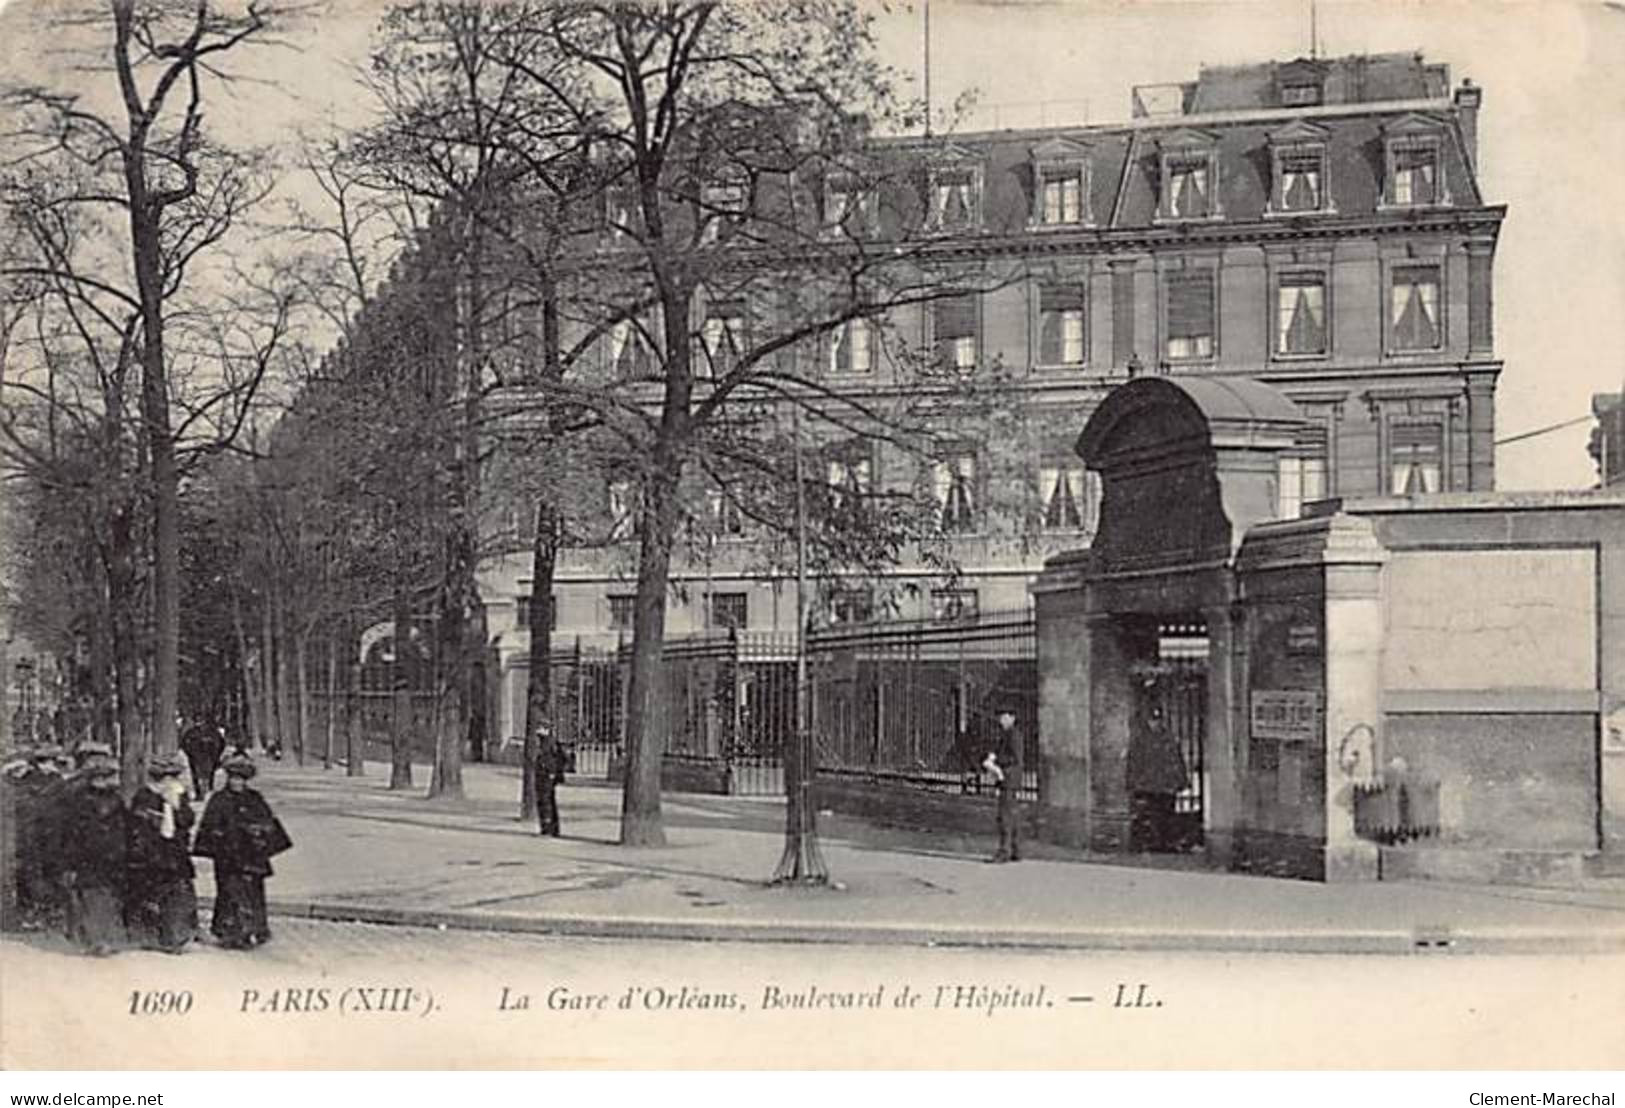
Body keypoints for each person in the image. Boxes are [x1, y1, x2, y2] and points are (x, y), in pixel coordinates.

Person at [192, 753, 291, 949]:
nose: (236, 782)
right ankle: (229, 932)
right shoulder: (219, 799)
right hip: (228, 858)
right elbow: (209, 827)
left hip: (252, 857)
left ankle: (255, 929)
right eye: (233, 778)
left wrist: (259, 834)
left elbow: (269, 824)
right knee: (229, 893)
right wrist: (219, 838)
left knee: (253, 893)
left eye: (240, 779)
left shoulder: (255, 799)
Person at [125, 753, 198, 953]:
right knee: (149, 894)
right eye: (164, 778)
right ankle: (148, 934)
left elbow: (187, 820)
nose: (169, 782)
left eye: (172, 777)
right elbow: (137, 823)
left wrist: (176, 807)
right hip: (151, 854)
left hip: (175, 854)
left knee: (177, 894)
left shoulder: (179, 795)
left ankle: (176, 935)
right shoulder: (144, 795)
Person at [57, 756, 128, 955]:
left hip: (109, 856)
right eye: (105, 776)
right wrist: (70, 861)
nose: (109, 780)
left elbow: (123, 828)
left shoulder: (115, 799)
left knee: (106, 896)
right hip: (88, 857)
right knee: (91, 896)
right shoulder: (79, 801)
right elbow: (71, 832)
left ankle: (103, 938)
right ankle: (94, 939)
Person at [1127, 689, 1188, 852]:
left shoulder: (1168, 738)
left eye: (1157, 719)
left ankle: (1165, 842)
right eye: (1153, 719)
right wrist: (1133, 781)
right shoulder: (1141, 739)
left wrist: (1181, 780)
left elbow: (1176, 759)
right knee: (1151, 816)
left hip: (1165, 785)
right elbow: (1134, 761)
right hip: (1148, 785)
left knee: (1166, 815)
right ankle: (1151, 842)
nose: (1155, 723)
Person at [983, 707, 1025, 863]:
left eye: (1004, 716)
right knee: (1011, 815)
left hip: (1008, 778)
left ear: (1012, 717)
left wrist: (995, 762)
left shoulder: (1013, 735)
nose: (1001, 719)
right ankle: (1016, 849)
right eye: (1000, 716)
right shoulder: (1008, 734)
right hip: (1010, 778)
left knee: (1004, 816)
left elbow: (1015, 758)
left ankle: (1004, 851)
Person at [179, 718, 226, 800]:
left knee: (209, 775)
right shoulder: (191, 732)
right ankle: (199, 793)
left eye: (202, 721)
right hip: (195, 758)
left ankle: (209, 792)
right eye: (198, 721)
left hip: (209, 758)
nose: (201, 724)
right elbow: (184, 743)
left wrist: (217, 756)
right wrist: (190, 754)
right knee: (197, 776)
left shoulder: (213, 732)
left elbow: (221, 744)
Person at [533, 724, 565, 837]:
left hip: (547, 776)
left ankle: (548, 828)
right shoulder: (543, 742)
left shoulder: (549, 743)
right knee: (546, 801)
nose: (538, 730)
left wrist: (552, 773)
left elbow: (555, 759)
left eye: (540, 727)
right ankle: (550, 828)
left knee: (546, 802)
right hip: (544, 775)